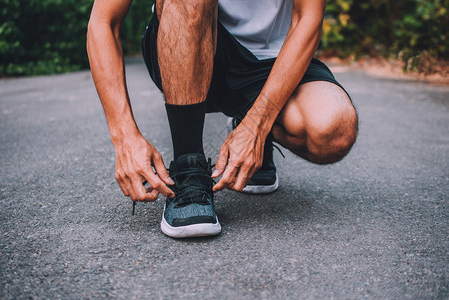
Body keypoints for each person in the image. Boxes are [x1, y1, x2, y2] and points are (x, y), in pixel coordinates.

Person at [87, 0, 358, 238]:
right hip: (186, 47)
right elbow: (103, 23)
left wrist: (257, 124)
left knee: (333, 129)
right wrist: (124, 136)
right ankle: (188, 167)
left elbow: (307, 17)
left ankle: (249, 126)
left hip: (273, 63)